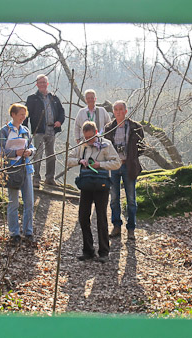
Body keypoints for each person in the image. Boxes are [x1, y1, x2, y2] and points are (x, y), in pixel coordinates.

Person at [68, 121, 121, 263]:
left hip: (101, 185)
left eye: (91, 137)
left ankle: (104, 251)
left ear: (96, 132)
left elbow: (117, 163)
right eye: (86, 138)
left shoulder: (106, 144)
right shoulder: (82, 146)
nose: (89, 141)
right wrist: (80, 161)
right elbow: (68, 159)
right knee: (83, 217)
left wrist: (100, 165)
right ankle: (88, 250)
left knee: (101, 217)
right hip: (86, 185)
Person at [0, 103, 36, 245]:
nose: (23, 117)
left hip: (27, 169)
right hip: (11, 170)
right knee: (13, 203)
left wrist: (30, 151)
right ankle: (14, 234)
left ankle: (28, 232)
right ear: (13, 115)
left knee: (29, 202)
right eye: (21, 115)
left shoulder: (25, 130)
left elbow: (31, 146)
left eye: (25, 115)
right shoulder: (5, 131)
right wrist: (14, 153)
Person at [104, 100, 145, 240]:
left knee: (131, 199)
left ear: (126, 111)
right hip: (114, 167)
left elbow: (142, 147)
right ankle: (116, 226)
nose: (118, 112)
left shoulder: (135, 127)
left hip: (129, 166)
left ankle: (131, 228)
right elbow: (105, 147)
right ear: (113, 112)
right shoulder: (109, 127)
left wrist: (132, 157)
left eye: (121, 109)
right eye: (116, 109)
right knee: (114, 198)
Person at [24, 74, 65, 188]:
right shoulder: (32, 98)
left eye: (44, 82)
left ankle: (50, 179)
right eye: (40, 83)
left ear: (47, 84)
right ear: (37, 84)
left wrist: (59, 122)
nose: (42, 84)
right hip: (38, 131)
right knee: (37, 155)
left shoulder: (54, 98)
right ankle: (36, 179)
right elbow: (25, 115)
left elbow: (62, 112)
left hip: (52, 130)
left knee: (51, 155)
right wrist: (25, 130)